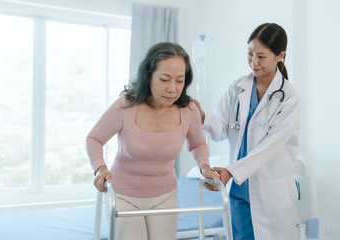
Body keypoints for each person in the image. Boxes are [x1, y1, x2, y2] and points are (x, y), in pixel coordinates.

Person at [86, 42, 219, 240]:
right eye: (165, 79)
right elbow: (94, 138)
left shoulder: (188, 109)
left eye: (180, 81)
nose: (173, 89)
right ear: (148, 76)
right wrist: (100, 169)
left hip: (165, 196)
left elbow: (198, 144)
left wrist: (204, 166)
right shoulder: (126, 106)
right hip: (124, 196)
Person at [193, 23, 300, 240]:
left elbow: (271, 145)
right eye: (250, 54)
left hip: (270, 192)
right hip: (240, 191)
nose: (254, 62)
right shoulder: (238, 88)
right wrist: (202, 116)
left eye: (261, 56)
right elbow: (221, 127)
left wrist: (231, 171)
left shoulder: (289, 97)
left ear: (280, 56)